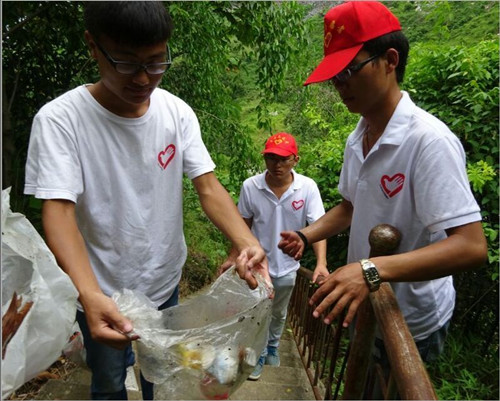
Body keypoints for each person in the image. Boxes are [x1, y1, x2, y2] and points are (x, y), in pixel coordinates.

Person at [23, 2, 270, 400]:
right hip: (101, 288)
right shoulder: (60, 120)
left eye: (156, 63)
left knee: (163, 373)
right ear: (93, 45)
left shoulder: (176, 112)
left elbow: (207, 186)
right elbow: (59, 211)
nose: (143, 78)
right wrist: (88, 294)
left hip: (164, 280)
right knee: (108, 382)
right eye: (126, 62)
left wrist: (246, 242)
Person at [278, 0, 487, 372]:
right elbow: (351, 206)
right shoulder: (358, 137)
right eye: (334, 76)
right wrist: (306, 235)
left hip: (412, 320)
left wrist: (370, 270)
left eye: (349, 71)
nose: (340, 85)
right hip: (366, 307)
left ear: (390, 61)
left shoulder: (429, 142)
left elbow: (471, 246)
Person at [219, 132, 328, 380]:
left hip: (288, 267)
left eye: (283, 159)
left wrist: (321, 263)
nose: (276, 164)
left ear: (295, 160)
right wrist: (232, 256)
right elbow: (242, 224)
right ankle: (256, 354)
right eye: (271, 158)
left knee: (279, 313)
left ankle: (272, 347)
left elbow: (319, 227)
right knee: (257, 312)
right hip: (257, 265)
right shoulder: (251, 186)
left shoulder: (307, 187)